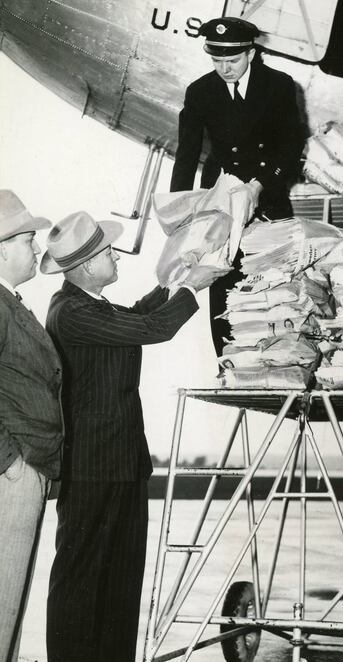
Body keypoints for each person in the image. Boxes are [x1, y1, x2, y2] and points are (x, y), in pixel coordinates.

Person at [42, 211, 224, 662]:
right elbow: (152, 329)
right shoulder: (72, 312)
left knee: (121, 579)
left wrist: (176, 278)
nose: (116, 258)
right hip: (92, 467)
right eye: (108, 252)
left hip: (120, 463)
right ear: (86, 266)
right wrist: (191, 288)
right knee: (81, 575)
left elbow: (138, 315)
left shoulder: (91, 306)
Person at [170, 16, 305, 355]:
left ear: (251, 53)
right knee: (223, 286)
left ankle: (279, 359)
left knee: (274, 285)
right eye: (217, 61)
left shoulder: (279, 85)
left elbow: (291, 145)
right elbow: (185, 155)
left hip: (269, 196)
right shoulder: (200, 91)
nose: (224, 69)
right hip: (221, 204)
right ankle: (231, 363)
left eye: (231, 61)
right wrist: (178, 215)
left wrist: (261, 185)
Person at [0, 190, 63, 662]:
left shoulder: (11, 303)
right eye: (28, 239)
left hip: (26, 468)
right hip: (13, 472)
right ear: (1, 248)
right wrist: (11, 462)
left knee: (11, 600)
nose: (37, 249)